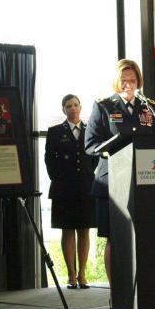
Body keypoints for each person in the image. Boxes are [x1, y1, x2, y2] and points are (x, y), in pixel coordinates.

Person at [84, 59, 155, 308]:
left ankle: (144, 290)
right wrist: (115, 155)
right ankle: (116, 292)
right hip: (111, 184)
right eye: (124, 80)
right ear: (117, 81)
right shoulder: (104, 106)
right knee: (114, 240)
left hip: (143, 181)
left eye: (133, 79)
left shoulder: (147, 107)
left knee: (144, 238)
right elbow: (90, 144)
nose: (129, 84)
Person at [45, 94, 98, 289]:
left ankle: (82, 274)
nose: (73, 108)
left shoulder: (90, 130)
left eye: (75, 105)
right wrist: (58, 179)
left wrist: (90, 175)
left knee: (84, 230)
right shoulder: (55, 132)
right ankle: (70, 275)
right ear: (63, 109)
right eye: (68, 106)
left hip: (86, 188)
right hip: (63, 189)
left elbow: (95, 158)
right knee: (67, 230)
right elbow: (49, 160)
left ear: (81, 107)